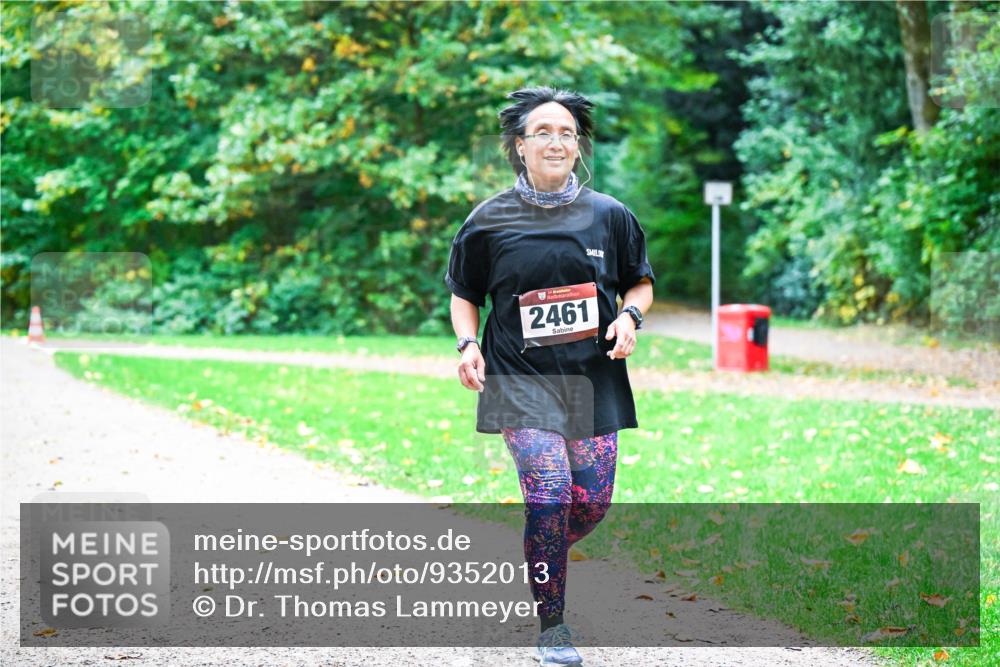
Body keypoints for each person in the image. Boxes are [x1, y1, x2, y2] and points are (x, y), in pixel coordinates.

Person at [444, 86, 654, 667]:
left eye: (566, 132)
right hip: (519, 380)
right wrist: (467, 343)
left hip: (591, 380)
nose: (556, 141)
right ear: (520, 146)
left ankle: (541, 551)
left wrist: (630, 316)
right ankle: (553, 626)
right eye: (543, 132)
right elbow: (464, 293)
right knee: (551, 493)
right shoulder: (488, 219)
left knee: (589, 504)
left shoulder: (610, 215)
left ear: (578, 145)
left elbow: (640, 281)